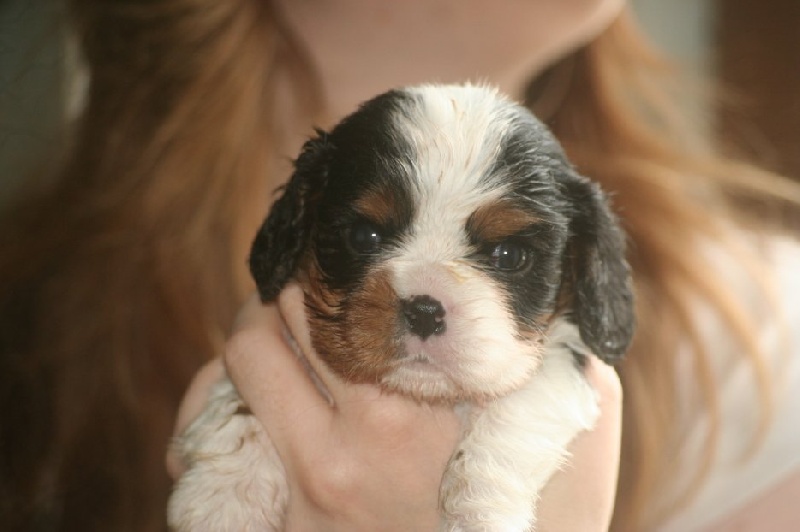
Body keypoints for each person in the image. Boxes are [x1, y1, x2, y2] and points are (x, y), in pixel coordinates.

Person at [1, 0, 798, 530]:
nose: (426, 289)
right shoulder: (25, 309)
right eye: (369, 238)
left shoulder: (766, 336)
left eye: (511, 252)